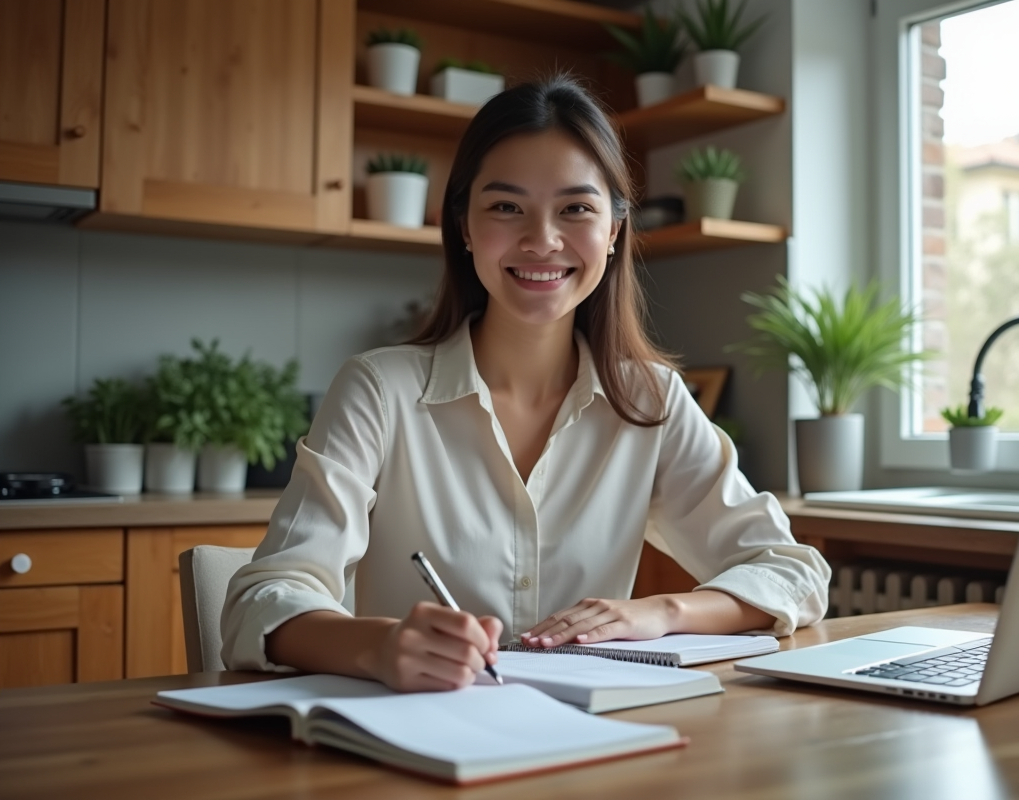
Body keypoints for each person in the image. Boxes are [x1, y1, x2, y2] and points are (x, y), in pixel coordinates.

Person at [221, 73, 831, 693]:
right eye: (507, 207)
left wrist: (659, 613)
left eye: (576, 209)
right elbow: (263, 598)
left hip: (592, 744)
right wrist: (380, 645)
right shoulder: (379, 389)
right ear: (463, 224)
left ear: (614, 231)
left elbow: (792, 572)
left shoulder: (652, 401)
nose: (542, 240)